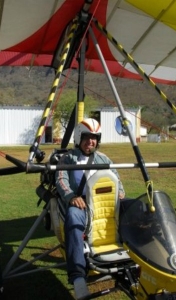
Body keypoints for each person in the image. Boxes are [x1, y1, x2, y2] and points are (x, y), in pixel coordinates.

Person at [55, 118, 125, 300]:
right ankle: (78, 276)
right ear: (79, 137)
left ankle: (141, 258)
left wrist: (121, 192)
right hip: (82, 204)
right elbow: (61, 179)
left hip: (105, 204)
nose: (90, 141)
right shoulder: (68, 158)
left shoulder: (104, 158)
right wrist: (71, 197)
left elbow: (116, 178)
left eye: (94, 138)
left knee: (137, 208)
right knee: (73, 216)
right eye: (87, 137)